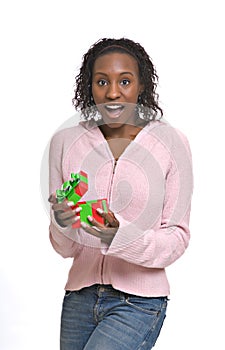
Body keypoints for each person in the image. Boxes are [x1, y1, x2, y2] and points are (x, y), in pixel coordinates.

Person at [48, 38, 193, 350]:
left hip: (139, 302)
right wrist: (60, 221)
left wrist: (118, 235)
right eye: (102, 82)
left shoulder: (171, 143)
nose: (113, 92)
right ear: (90, 86)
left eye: (124, 81)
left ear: (141, 85)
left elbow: (177, 237)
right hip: (80, 297)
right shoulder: (65, 142)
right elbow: (65, 248)